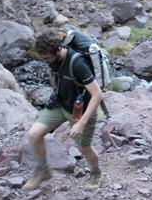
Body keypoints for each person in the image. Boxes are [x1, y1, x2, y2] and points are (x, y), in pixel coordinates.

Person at [22, 29, 104, 191]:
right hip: (61, 103)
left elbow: (97, 95)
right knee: (34, 134)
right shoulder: (52, 60)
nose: (45, 61)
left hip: (82, 109)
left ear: (58, 49)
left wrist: (81, 123)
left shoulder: (77, 63)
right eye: (42, 58)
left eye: (47, 57)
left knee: (83, 147)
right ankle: (43, 170)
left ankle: (96, 173)